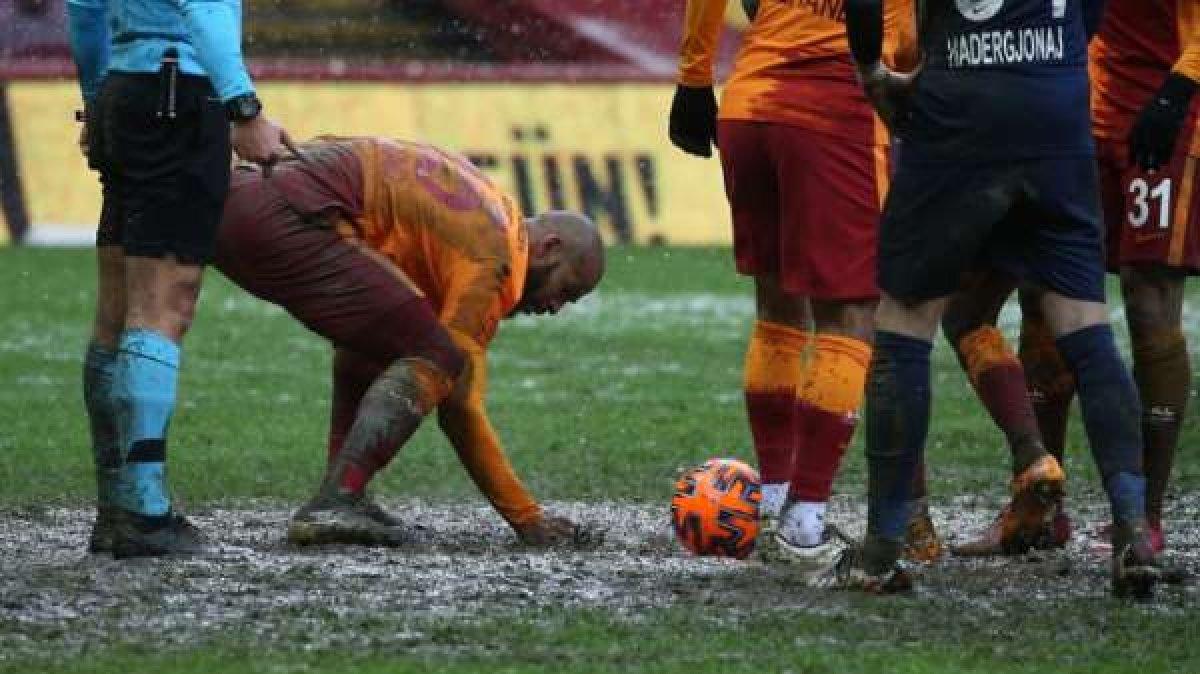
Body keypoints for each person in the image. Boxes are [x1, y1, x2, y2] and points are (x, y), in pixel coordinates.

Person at [828, 0, 1166, 598]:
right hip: (1055, 109)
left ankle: (881, 550)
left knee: (905, 320)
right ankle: (1133, 533)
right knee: (1086, 325)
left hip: (960, 108)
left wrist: (871, 73)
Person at [212, 136, 605, 546]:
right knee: (437, 356)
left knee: (377, 346)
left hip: (239, 195)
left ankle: (345, 493)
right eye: (567, 290)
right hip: (289, 215)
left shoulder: (491, 210)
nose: (556, 307)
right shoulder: (499, 260)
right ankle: (338, 499)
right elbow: (459, 408)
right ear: (549, 248)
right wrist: (527, 517)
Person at [937, 0, 1199, 557]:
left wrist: (1180, 90)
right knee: (1039, 293)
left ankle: (1145, 518)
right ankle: (1042, 504)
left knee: (1149, 298)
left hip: (1169, 114)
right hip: (1079, 113)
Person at [668, 0, 915, 573]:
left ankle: (775, 493)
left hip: (751, 104)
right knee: (849, 315)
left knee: (778, 314)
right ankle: (804, 524)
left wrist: (693, 78)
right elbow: (905, 33)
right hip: (835, 110)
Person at [67, 0, 293, 557]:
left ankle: (116, 506)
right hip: (179, 95)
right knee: (163, 304)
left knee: (115, 312)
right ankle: (144, 515)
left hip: (125, 90)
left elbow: (84, 9)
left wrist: (98, 101)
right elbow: (203, 7)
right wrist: (244, 107)